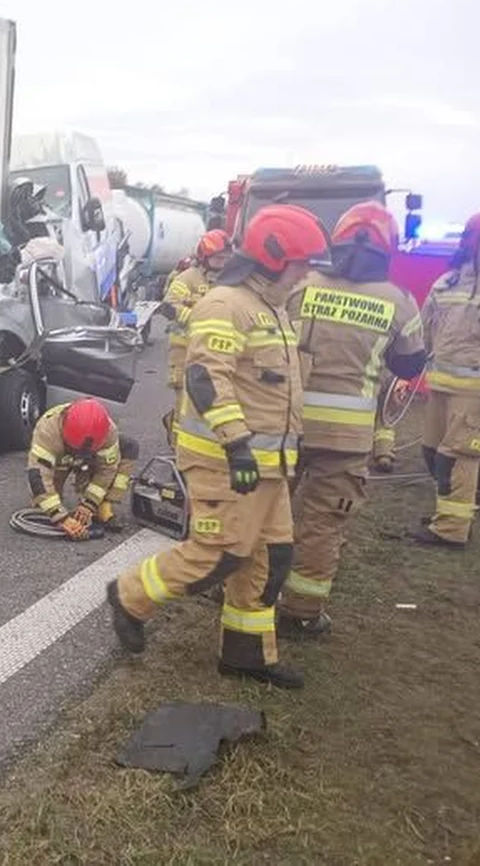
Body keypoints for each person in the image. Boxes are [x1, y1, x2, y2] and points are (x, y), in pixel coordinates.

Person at [105, 204, 331, 689]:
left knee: (271, 559)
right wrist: (238, 446)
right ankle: (128, 597)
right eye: (301, 262)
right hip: (226, 463)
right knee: (218, 554)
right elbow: (207, 379)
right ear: (273, 259)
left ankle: (246, 654)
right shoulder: (225, 305)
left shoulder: (271, 309)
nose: (306, 272)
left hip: (270, 467)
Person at [278, 202, 427, 637]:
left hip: (286, 423)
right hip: (346, 437)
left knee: (267, 508)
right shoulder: (399, 301)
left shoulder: (301, 285)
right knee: (323, 521)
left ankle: (245, 591)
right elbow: (409, 364)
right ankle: (301, 612)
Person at [411, 210, 480, 547]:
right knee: (432, 452)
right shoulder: (447, 282)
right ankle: (450, 511)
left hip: (478, 393)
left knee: (458, 456)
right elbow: (425, 327)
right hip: (440, 384)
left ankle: (452, 528)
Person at [26, 398, 139, 539]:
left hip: (90, 460)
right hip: (60, 460)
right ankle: (55, 505)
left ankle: (104, 505)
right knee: (45, 505)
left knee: (129, 447)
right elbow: (38, 476)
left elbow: (106, 470)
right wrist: (60, 517)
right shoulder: (48, 430)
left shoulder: (108, 432)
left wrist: (89, 504)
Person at [159, 229, 231, 445]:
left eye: (226, 258)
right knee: (184, 406)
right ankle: (178, 452)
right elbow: (169, 306)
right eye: (218, 258)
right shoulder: (187, 278)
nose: (223, 263)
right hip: (184, 353)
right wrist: (199, 319)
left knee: (209, 403)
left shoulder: (228, 282)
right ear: (205, 257)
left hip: (213, 352)